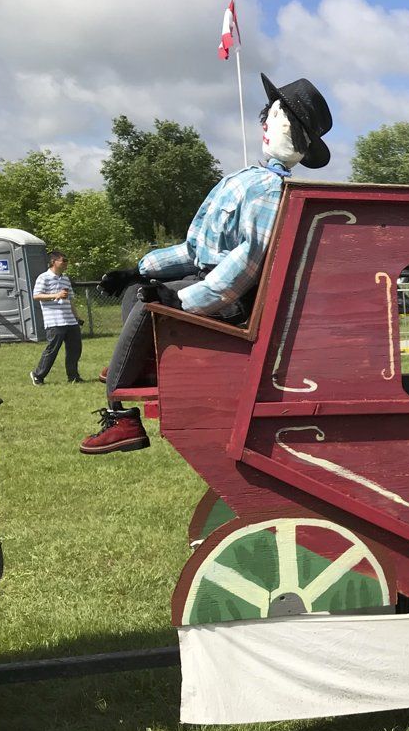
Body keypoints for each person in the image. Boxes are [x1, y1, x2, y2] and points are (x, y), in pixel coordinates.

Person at [80, 74, 333, 455]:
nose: (266, 124)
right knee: (137, 290)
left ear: (297, 139)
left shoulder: (270, 192)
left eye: (277, 119)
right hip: (206, 279)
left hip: (230, 299)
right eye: (267, 116)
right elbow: (194, 248)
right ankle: (142, 365)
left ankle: (123, 418)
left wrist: (181, 300)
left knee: (149, 304)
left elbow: (248, 262)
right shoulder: (243, 179)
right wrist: (140, 269)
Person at [29, 252, 83, 385]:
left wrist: (76, 317)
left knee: (75, 349)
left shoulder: (65, 279)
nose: (66, 263)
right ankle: (38, 375)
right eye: (63, 260)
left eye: (67, 260)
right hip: (54, 321)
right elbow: (36, 296)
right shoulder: (44, 277)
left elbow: (70, 300)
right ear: (54, 262)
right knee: (52, 350)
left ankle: (73, 376)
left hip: (70, 321)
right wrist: (56, 295)